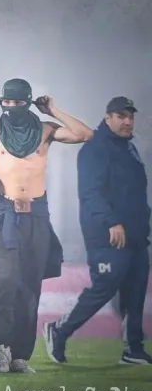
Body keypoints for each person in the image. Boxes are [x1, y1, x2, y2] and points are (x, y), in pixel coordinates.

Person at [0, 78, 93, 374]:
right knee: (5, 279)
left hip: (37, 214)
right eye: (8, 103)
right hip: (4, 211)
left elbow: (86, 134)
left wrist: (53, 110)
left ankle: (19, 354)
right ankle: (0, 347)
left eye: (18, 102)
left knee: (30, 285)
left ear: (28, 103)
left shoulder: (45, 130)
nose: (12, 107)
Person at [44, 97, 152, 365]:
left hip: (136, 234)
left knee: (135, 291)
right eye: (120, 116)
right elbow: (90, 193)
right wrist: (111, 222)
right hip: (108, 234)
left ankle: (133, 349)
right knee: (103, 287)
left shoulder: (128, 148)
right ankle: (59, 330)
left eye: (130, 116)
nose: (127, 121)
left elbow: (135, 194)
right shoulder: (95, 147)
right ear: (107, 118)